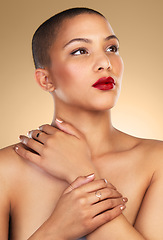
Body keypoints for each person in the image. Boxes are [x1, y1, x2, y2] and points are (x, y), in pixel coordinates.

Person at [0, 7, 163, 240]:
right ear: (46, 80)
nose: (105, 62)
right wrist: (57, 229)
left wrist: (80, 171)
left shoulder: (157, 161)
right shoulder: (5, 170)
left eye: (111, 48)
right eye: (80, 51)